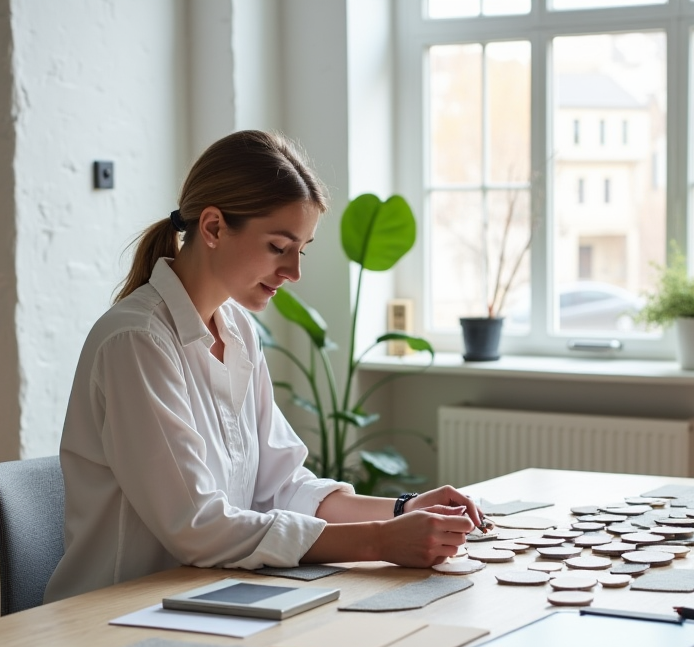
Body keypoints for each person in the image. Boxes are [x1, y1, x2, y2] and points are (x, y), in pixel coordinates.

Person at [45, 130, 485, 603]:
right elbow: (197, 525)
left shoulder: (237, 329)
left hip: (211, 597)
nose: (294, 271)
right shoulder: (136, 341)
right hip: (118, 616)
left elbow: (282, 485)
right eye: (279, 247)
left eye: (302, 249)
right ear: (212, 228)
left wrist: (402, 510)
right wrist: (378, 540)